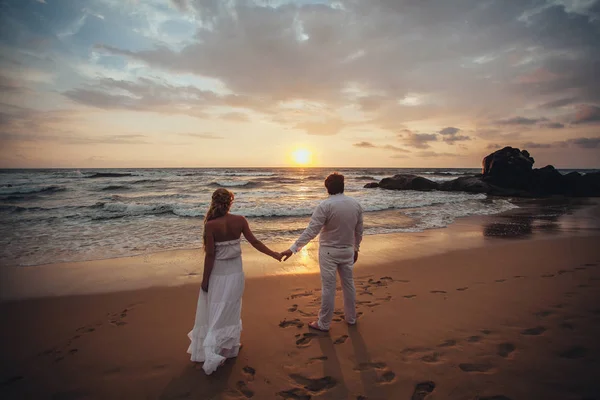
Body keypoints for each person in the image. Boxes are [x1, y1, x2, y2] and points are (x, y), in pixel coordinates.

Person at [187, 188, 282, 374]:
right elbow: (255, 242)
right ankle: (228, 347)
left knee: (216, 308)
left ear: (214, 202)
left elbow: (210, 256)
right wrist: (274, 254)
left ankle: (216, 348)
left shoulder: (211, 225)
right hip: (235, 272)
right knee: (230, 307)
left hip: (218, 274)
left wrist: (205, 280)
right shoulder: (240, 220)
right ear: (230, 202)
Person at [281, 173, 364, 332]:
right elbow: (359, 231)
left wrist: (293, 249)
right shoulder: (356, 205)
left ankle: (324, 323)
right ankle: (351, 318)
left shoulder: (325, 206)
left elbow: (311, 231)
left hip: (328, 252)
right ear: (343, 185)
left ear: (327, 188)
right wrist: (356, 248)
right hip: (347, 250)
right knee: (349, 285)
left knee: (329, 288)